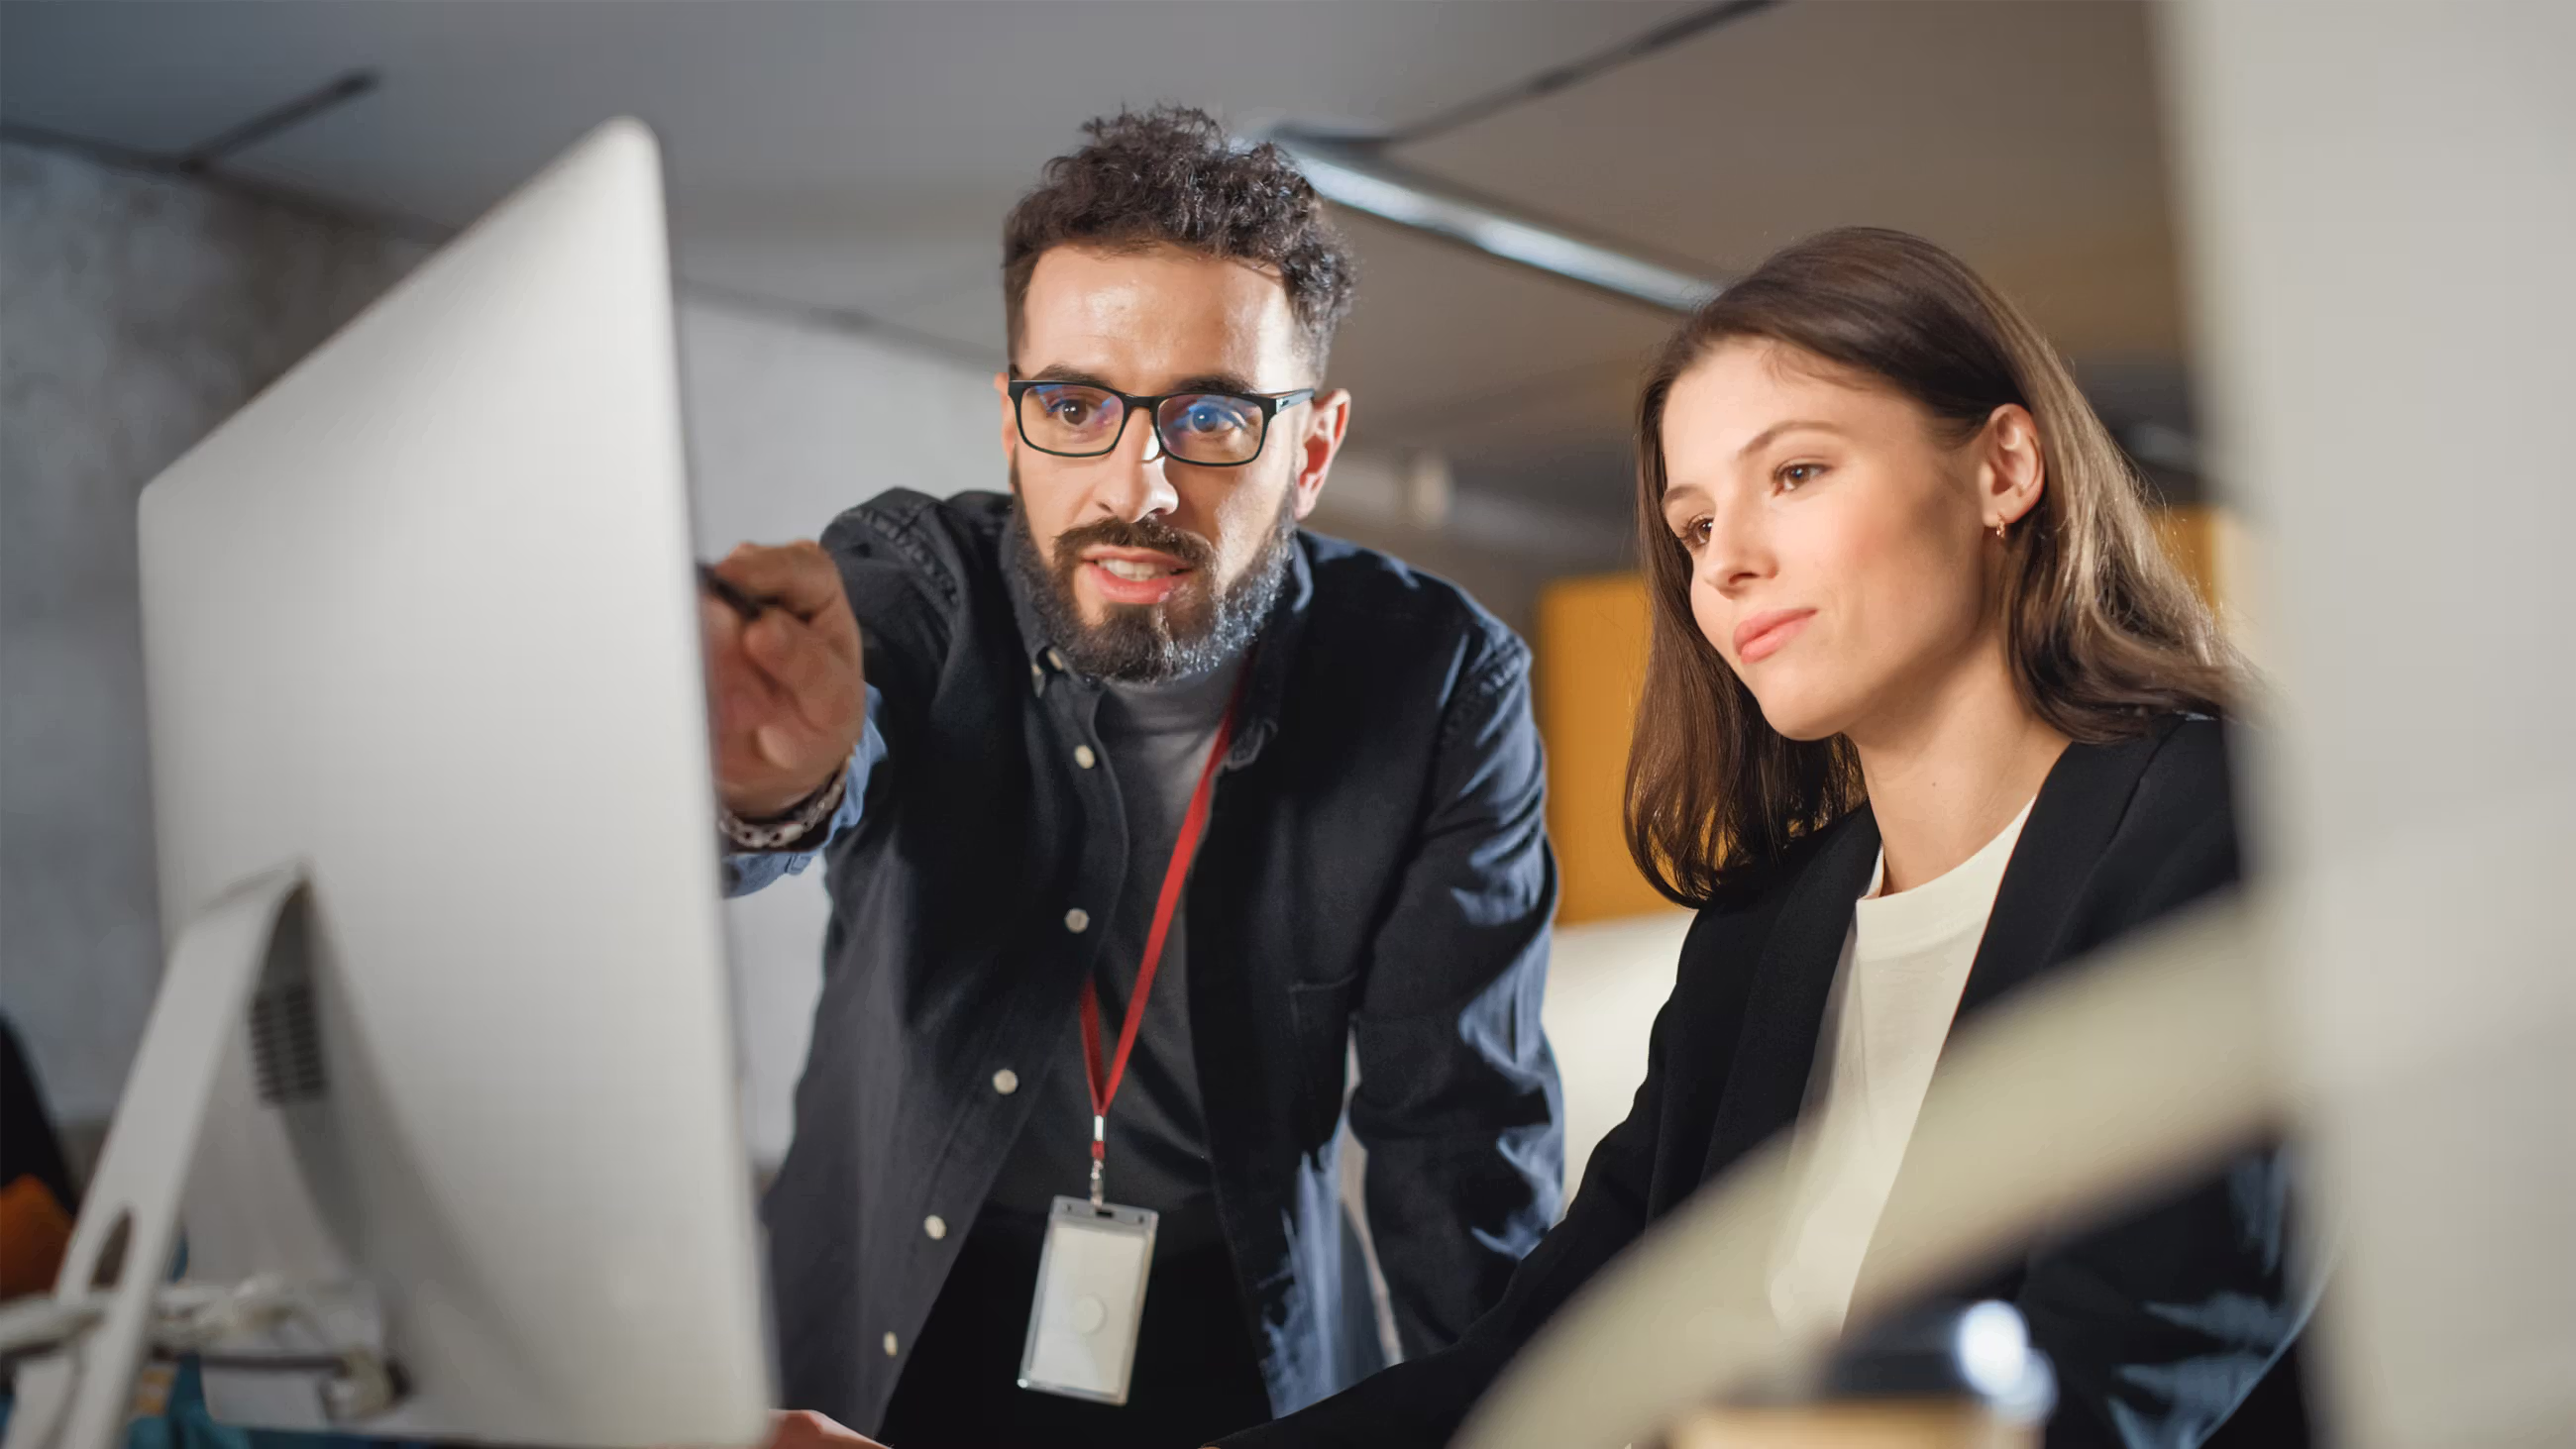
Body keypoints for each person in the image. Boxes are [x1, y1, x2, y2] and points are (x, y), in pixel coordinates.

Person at [1211, 228, 2313, 1449]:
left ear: (2003, 468)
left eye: (1793, 472)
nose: (1727, 563)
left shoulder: (2231, 828)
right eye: (1692, 526)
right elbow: (1538, 1368)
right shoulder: (1756, 940)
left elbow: (2119, 1379)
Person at [701, 107, 1563, 1449]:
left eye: (1211, 415)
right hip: (897, 1309)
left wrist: (1530, 1426)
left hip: (1238, 1324)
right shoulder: (911, 584)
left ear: (1312, 451)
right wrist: (771, 786)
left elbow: (1459, 1142)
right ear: (1012, 423)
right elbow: (802, 776)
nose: (1137, 484)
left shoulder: (1439, 684)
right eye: (1074, 406)